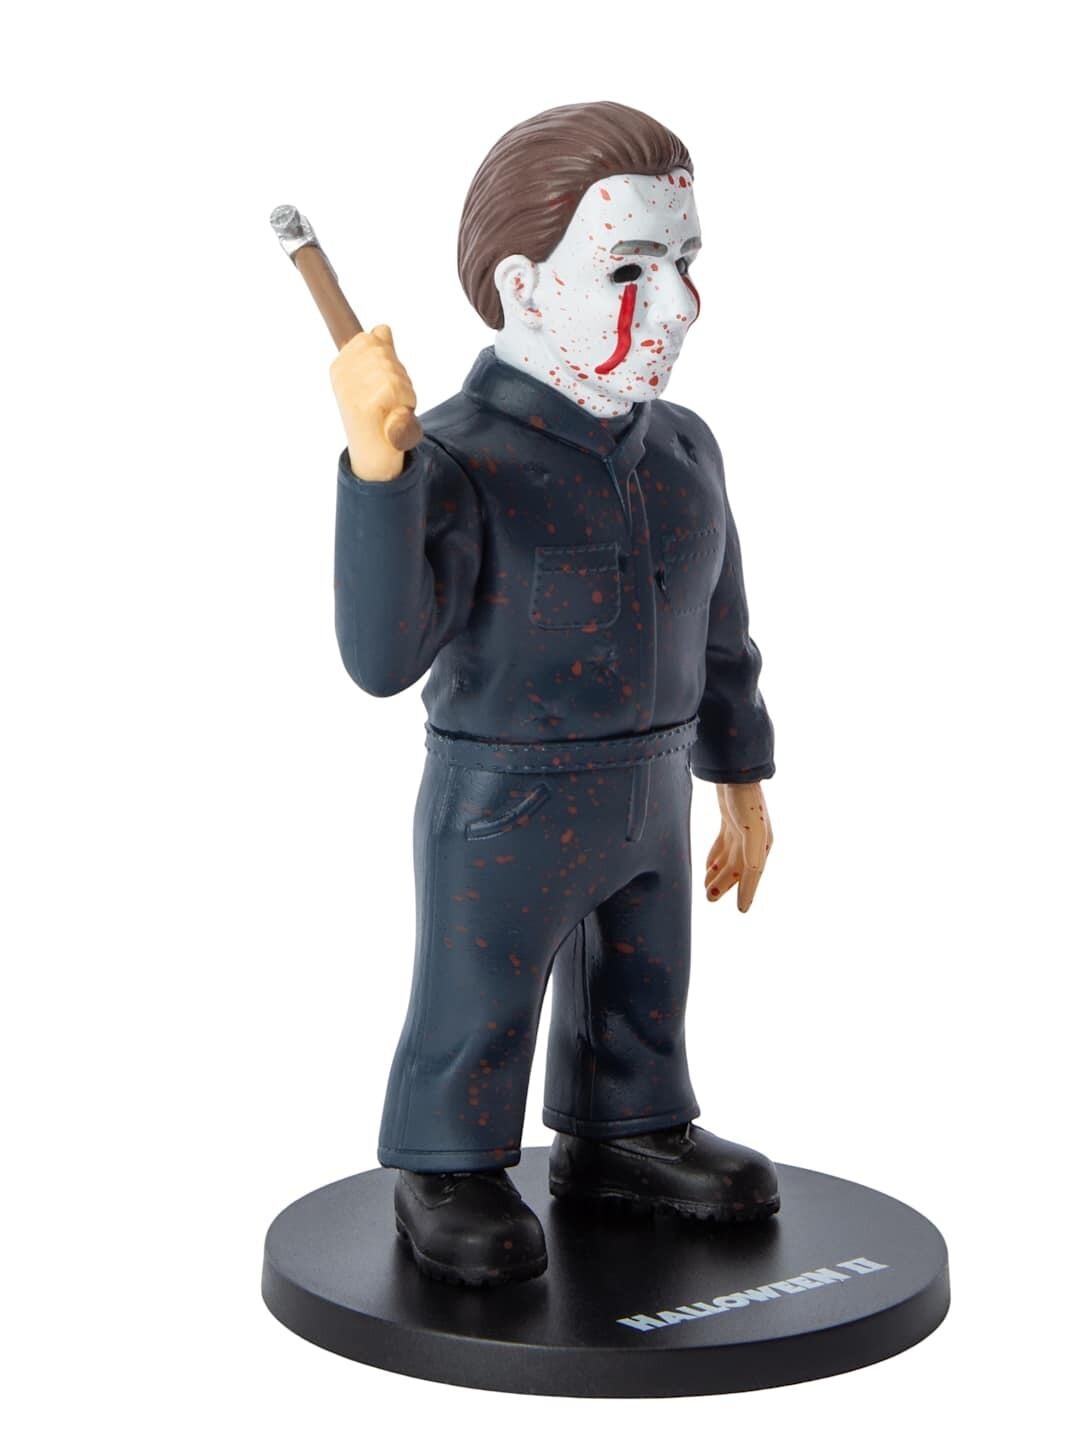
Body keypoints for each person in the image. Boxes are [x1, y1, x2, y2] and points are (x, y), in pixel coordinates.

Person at [330, 102, 777, 1286]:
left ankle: (631, 1128)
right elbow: (381, 657)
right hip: (506, 801)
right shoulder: (455, 459)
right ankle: (448, 1163)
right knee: (477, 994)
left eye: (685, 261)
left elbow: (721, 632)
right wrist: (378, 472)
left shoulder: (686, 451)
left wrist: (740, 783)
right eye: (630, 269)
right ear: (524, 287)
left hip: (655, 786)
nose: (677, 305)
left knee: (647, 982)